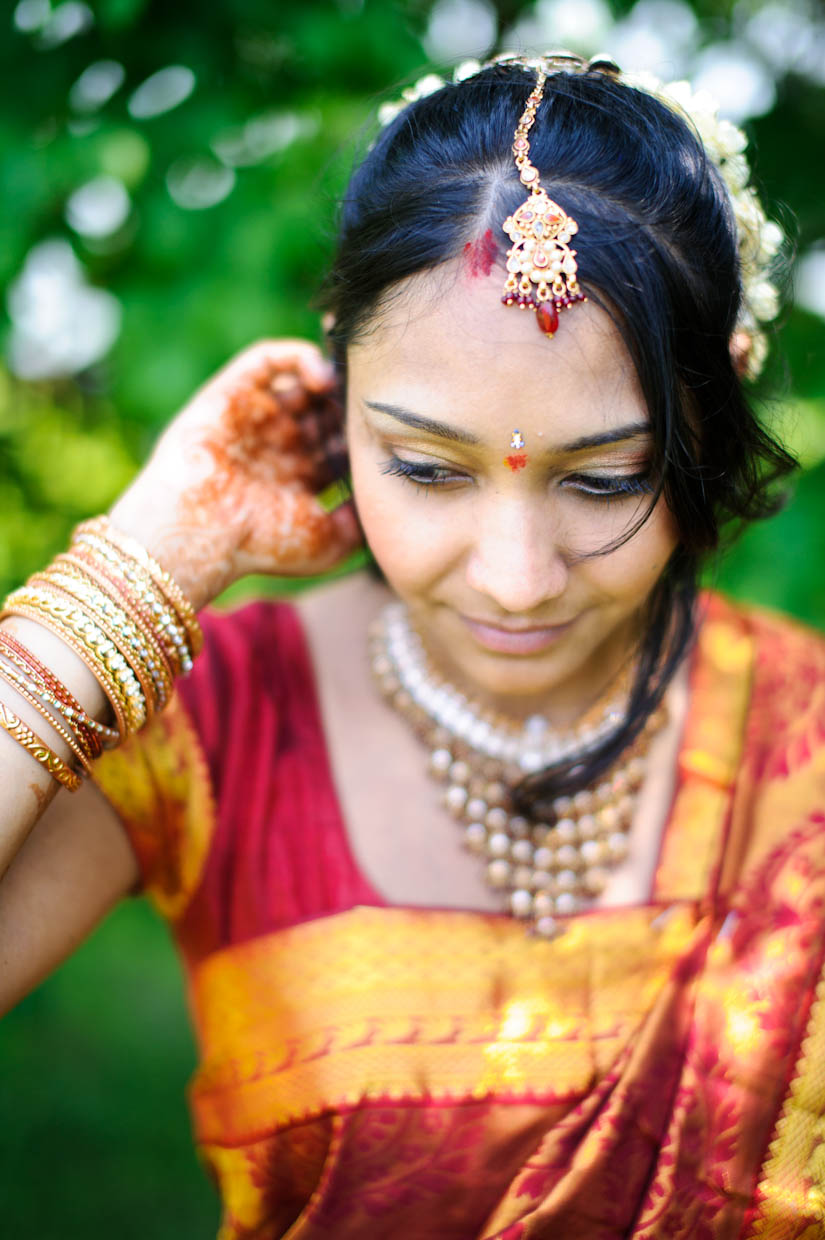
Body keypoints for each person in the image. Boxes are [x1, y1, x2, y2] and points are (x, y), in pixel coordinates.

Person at [1, 49, 823, 1239]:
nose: (515, 574)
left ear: (718, 406)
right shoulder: (217, 717)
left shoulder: (802, 740)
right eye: (428, 468)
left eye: (609, 480)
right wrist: (141, 565)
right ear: (340, 392)